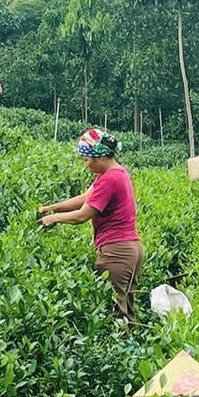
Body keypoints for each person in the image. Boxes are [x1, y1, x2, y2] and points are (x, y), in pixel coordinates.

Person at [37, 128, 142, 321]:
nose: (86, 165)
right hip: (131, 248)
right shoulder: (118, 172)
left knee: (116, 313)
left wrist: (53, 219)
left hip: (116, 251)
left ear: (100, 158)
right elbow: (85, 198)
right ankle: (132, 346)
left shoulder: (109, 179)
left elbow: (82, 215)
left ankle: (122, 349)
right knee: (126, 308)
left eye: (87, 160)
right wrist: (51, 208)